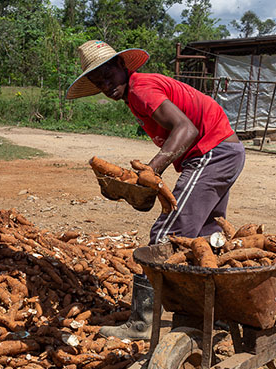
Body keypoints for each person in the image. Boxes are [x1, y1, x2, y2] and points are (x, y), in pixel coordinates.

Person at [66, 40, 245, 340]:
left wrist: (153, 170)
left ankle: (143, 321)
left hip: (211, 153)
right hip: (224, 151)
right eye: (99, 83)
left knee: (166, 236)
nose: (107, 86)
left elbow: (186, 129)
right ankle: (215, 315)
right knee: (203, 239)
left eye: (109, 76)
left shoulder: (140, 89)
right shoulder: (137, 92)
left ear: (123, 67)